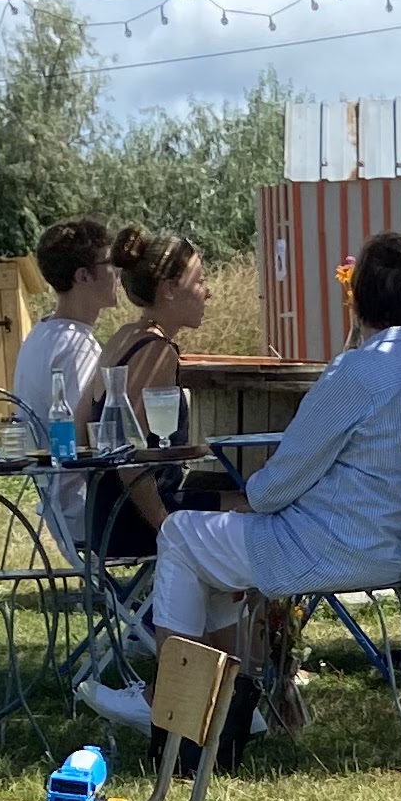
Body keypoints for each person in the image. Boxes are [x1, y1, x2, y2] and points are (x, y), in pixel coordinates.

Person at [150, 227, 401, 733]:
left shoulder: (360, 372)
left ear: (360, 300)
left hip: (333, 545)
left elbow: (279, 483)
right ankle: (235, 707)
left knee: (179, 534)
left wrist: (248, 498)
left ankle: (173, 705)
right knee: (210, 556)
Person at [87, 226, 245, 563]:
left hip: (102, 518)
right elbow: (130, 460)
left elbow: (77, 428)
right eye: (199, 281)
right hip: (136, 522)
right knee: (259, 508)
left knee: (222, 486)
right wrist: (165, 528)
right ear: (169, 289)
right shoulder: (157, 351)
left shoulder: (122, 338)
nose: (208, 293)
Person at [10, 217, 119, 443]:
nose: (118, 272)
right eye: (110, 263)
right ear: (83, 276)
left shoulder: (41, 333)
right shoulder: (75, 347)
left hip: (40, 464)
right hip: (65, 466)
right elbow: (80, 435)